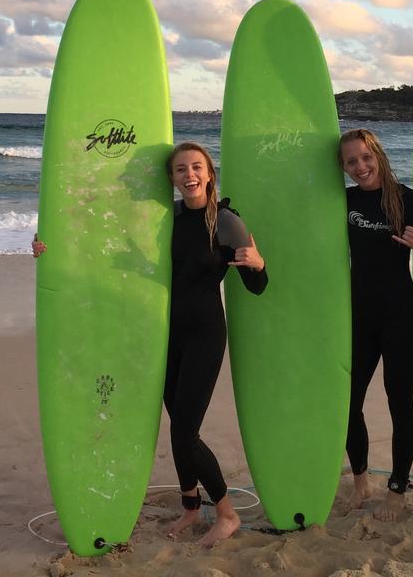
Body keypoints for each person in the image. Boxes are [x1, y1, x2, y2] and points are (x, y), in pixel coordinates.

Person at [33, 142, 267, 547]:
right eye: (180, 169)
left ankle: (226, 515)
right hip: (164, 332)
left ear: (210, 173)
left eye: (196, 167)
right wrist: (46, 247)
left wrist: (258, 265)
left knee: (185, 433)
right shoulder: (167, 218)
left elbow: (258, 286)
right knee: (177, 422)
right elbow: (98, 242)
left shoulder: (226, 222)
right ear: (172, 179)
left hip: (205, 334)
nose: (189, 175)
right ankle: (192, 507)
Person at [338, 128, 413, 520]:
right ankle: (361, 481)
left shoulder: (407, 200)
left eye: (365, 157)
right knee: (348, 403)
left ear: (377, 154)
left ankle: (397, 488)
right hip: (359, 316)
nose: (360, 166)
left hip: (401, 316)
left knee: (399, 403)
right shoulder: (343, 201)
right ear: (343, 168)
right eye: (351, 161)